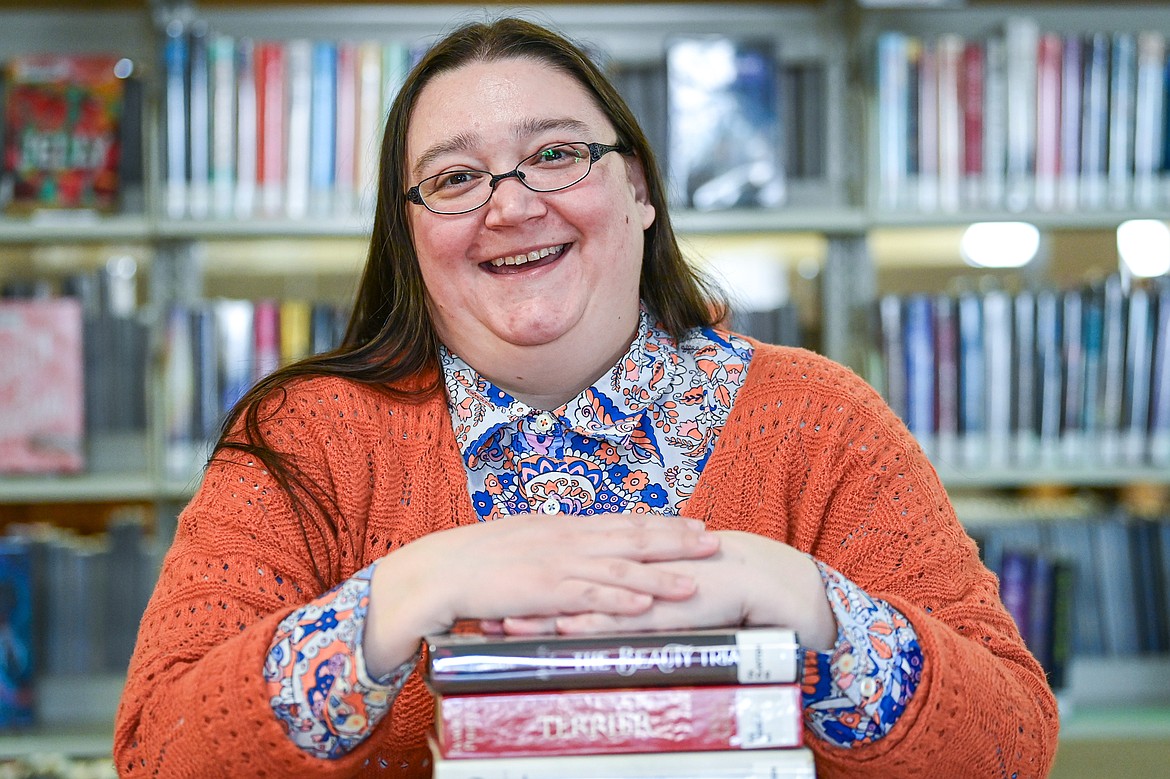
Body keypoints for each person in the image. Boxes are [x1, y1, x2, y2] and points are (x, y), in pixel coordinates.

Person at [114, 16, 1058, 778]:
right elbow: (158, 751)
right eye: (452, 178)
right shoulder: (304, 438)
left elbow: (1013, 747)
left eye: (556, 154)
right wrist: (400, 596)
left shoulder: (822, 420)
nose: (512, 204)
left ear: (639, 188)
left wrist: (810, 604)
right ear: (407, 235)